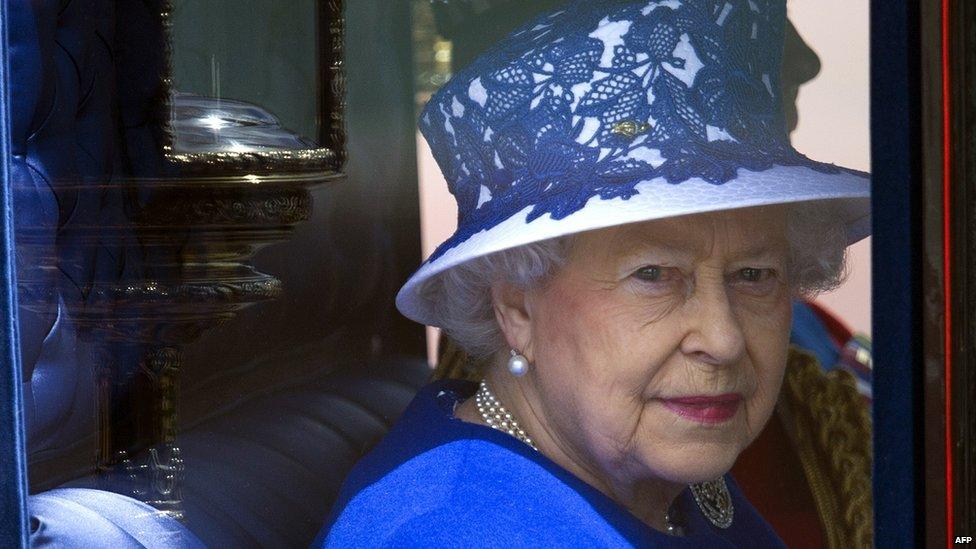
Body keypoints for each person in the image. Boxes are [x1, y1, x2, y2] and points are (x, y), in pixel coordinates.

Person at [316, 0, 869, 546]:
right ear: (517, 308)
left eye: (754, 274)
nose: (723, 341)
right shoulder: (448, 531)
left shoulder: (656, 481)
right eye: (654, 274)